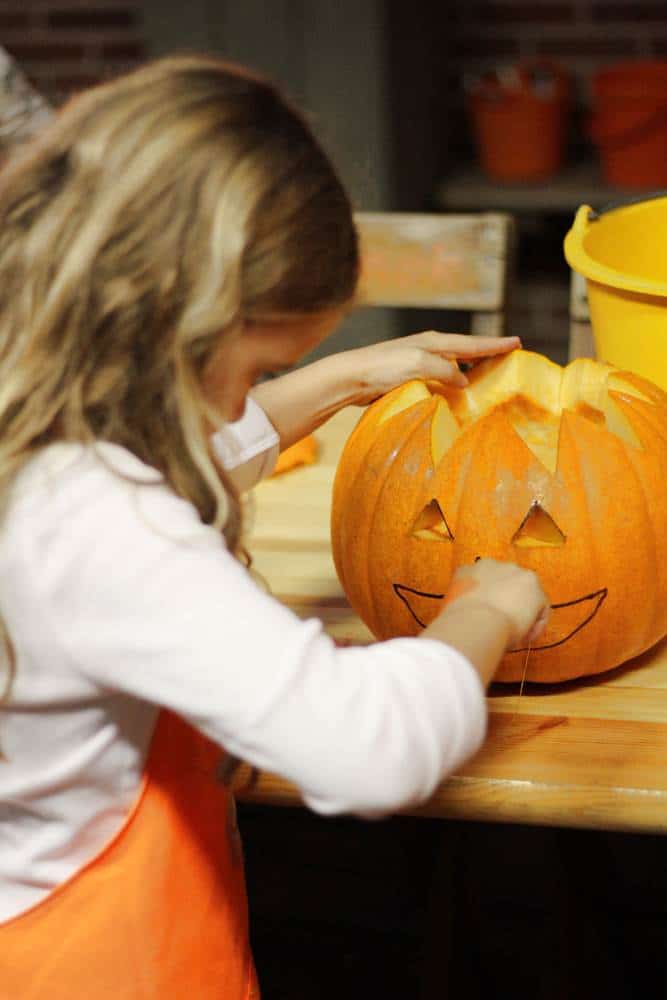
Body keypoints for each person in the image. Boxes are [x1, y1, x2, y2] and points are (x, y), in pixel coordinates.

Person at [0, 55, 549, 998]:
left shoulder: (33, 442)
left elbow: (146, 470)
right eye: (253, 369)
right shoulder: (102, 522)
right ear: (173, 326)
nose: (244, 398)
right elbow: (367, 746)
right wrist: (483, 612)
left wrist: (333, 380)